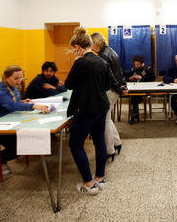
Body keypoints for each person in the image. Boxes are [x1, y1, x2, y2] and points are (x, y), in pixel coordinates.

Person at [66, 27, 112, 195]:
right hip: (101, 106)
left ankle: (89, 184)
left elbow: (68, 84)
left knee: (75, 144)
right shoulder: (102, 61)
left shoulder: (80, 62)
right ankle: (100, 178)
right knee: (99, 141)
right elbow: (107, 85)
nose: (73, 51)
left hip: (86, 109)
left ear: (78, 47)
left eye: (73, 48)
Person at [0, 65, 50, 175]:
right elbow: (12, 106)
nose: (19, 81)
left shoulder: (12, 86)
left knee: (27, 141)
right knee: (21, 146)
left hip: (11, 122)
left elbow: (15, 103)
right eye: (16, 78)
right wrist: (34, 106)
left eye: (20, 78)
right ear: (6, 78)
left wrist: (22, 102)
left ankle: (1, 159)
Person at [90, 32, 127, 160]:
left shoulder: (103, 56)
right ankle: (117, 143)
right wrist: (122, 87)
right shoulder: (110, 51)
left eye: (91, 44)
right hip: (115, 90)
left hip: (110, 90)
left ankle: (109, 150)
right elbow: (118, 72)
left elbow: (108, 77)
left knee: (104, 120)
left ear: (96, 42)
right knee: (108, 119)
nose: (90, 47)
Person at [126, 55, 156, 125]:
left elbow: (153, 78)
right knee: (133, 97)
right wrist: (130, 78)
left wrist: (142, 78)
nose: (136, 66)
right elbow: (126, 78)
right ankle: (135, 116)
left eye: (137, 64)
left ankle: (135, 117)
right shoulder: (133, 70)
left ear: (142, 63)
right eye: (135, 64)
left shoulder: (147, 68)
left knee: (134, 98)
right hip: (134, 90)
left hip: (145, 91)